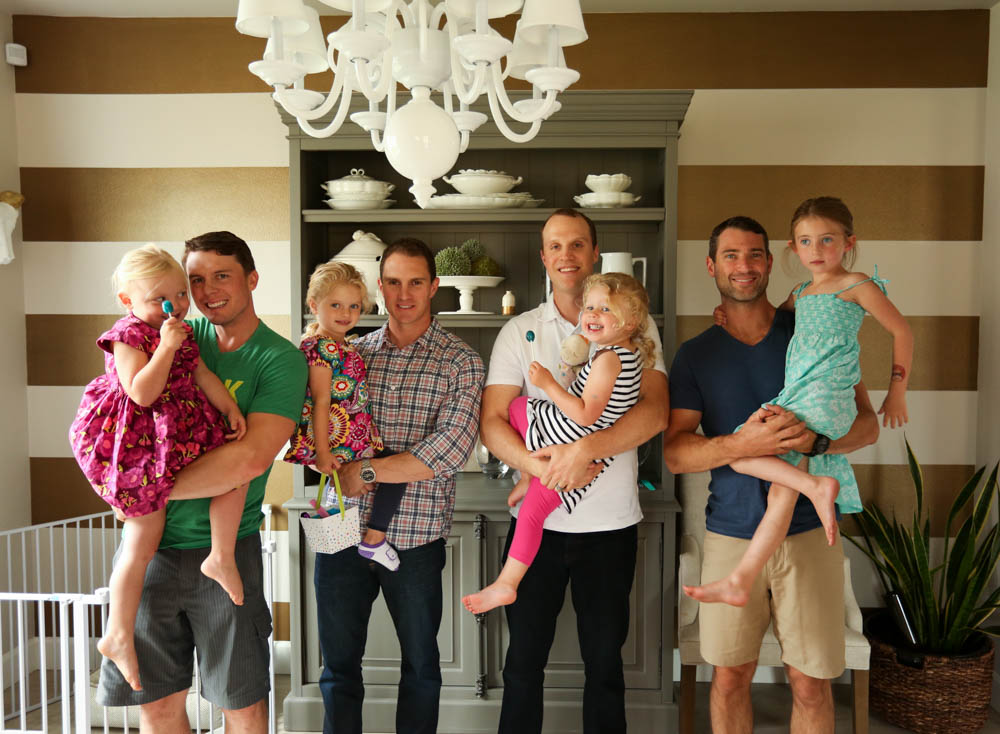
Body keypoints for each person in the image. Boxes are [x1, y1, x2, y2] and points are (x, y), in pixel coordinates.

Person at [663, 214, 880, 734]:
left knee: (810, 681)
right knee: (731, 677)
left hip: (810, 532)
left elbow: (868, 425)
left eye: (755, 255)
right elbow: (675, 454)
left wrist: (817, 442)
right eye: (732, 256)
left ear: (770, 262)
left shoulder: (811, 329)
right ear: (712, 265)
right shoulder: (695, 356)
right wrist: (743, 444)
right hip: (730, 534)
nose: (744, 267)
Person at [96, 231, 308, 734]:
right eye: (195, 279)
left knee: (242, 705)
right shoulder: (160, 334)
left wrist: (138, 487)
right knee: (159, 705)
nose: (207, 289)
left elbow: (249, 460)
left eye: (222, 276)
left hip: (225, 552)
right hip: (151, 550)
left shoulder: (279, 359)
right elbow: (124, 411)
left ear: (251, 279)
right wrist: (128, 479)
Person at [481, 208, 669, 733]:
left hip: (609, 525)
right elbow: (493, 421)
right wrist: (532, 465)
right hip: (538, 527)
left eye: (578, 245)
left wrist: (586, 449)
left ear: (593, 254)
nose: (567, 256)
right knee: (522, 665)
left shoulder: (632, 328)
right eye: (556, 246)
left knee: (605, 667)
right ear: (544, 258)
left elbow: (654, 412)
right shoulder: (520, 332)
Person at [686, 196, 913, 607]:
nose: (816, 250)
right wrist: (725, 316)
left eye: (827, 240)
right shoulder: (801, 295)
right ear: (793, 248)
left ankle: (812, 489)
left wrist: (897, 390)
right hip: (734, 515)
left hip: (819, 401)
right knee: (774, 487)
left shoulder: (854, 286)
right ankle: (745, 573)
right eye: (806, 242)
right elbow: (778, 314)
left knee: (748, 460)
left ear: (848, 242)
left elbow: (901, 334)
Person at [312, 237, 484, 734]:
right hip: (340, 529)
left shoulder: (460, 361)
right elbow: (318, 420)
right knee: (338, 668)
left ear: (434, 286)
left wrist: (364, 471)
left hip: (415, 537)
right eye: (392, 282)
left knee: (421, 668)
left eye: (414, 282)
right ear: (378, 288)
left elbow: (448, 451)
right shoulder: (352, 352)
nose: (403, 294)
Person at [70, 245, 250, 692]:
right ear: (127, 301)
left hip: (179, 432)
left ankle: (220, 556)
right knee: (142, 539)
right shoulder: (127, 335)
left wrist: (228, 407)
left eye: (180, 294)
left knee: (236, 466)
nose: (175, 306)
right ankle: (116, 632)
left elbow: (202, 374)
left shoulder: (181, 330)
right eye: (159, 299)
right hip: (136, 443)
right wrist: (166, 347)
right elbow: (141, 393)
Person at [464, 272, 656, 614]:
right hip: (575, 441)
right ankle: (529, 475)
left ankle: (507, 582)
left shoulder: (609, 359)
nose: (593, 314)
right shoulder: (620, 354)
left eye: (606, 309)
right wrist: (574, 366)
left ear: (631, 322)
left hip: (570, 436)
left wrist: (548, 384)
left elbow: (585, 414)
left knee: (530, 510)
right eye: (591, 306)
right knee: (519, 410)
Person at [283, 261, 407, 571]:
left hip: (350, 434)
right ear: (314, 305)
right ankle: (374, 541)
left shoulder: (343, 346)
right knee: (399, 468)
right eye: (335, 304)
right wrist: (324, 453)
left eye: (353, 305)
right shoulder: (321, 349)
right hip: (338, 437)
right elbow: (321, 401)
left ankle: (368, 540)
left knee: (374, 477)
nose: (346, 312)